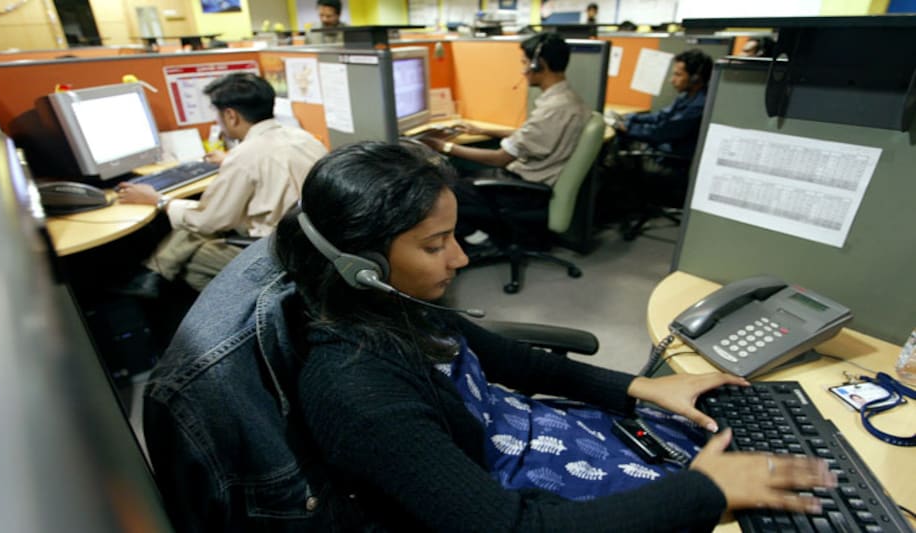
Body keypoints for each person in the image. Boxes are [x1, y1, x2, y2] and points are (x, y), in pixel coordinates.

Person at [269, 141, 834, 530]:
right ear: (361, 264)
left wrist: (640, 388)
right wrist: (704, 491)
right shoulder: (358, 395)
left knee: (733, 434)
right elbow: (512, 528)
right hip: (531, 502)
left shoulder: (397, 308)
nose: (461, 258)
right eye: (435, 245)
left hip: (549, 439)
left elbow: (512, 360)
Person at [115, 72, 327, 296]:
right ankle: (153, 273)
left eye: (217, 116)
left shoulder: (245, 155)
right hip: (318, 243)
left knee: (192, 258)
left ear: (231, 115)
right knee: (196, 230)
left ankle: (260, 311)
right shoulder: (303, 138)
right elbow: (275, 162)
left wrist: (158, 201)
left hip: (279, 252)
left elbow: (208, 221)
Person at [420, 32, 591, 244]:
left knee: (440, 186)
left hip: (523, 191)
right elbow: (536, 136)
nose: (523, 70)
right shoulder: (568, 100)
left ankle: (481, 240)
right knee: (458, 174)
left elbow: (499, 159)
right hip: (531, 181)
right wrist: (483, 130)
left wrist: (443, 146)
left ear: (539, 64)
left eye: (525, 63)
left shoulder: (554, 109)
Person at [613, 48, 713, 161]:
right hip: (665, 146)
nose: (672, 80)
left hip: (674, 158)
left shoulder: (699, 106)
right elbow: (660, 116)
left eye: (678, 75)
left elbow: (660, 132)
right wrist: (632, 117)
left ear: (695, 78)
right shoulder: (686, 97)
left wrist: (629, 128)